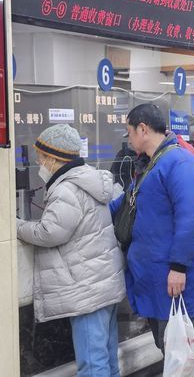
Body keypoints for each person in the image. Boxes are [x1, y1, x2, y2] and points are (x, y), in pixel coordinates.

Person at [17, 124, 126, 376]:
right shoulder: (87, 180)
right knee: (107, 359)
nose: (39, 162)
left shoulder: (67, 188)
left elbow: (50, 232)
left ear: (55, 158)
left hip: (87, 291)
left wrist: (17, 226)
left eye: (42, 156)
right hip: (102, 284)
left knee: (92, 363)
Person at [110, 104, 194, 376]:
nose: (128, 138)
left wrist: (178, 267)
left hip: (172, 278)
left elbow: (192, 219)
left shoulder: (179, 162)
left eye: (129, 131)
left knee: (184, 352)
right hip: (155, 277)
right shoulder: (152, 163)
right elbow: (126, 203)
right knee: (171, 349)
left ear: (143, 129)